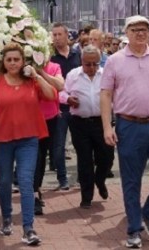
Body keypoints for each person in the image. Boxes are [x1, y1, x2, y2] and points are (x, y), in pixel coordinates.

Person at [100, 15, 149, 249]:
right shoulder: (114, 61)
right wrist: (107, 126)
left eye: (144, 29)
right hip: (128, 125)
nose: (140, 33)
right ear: (127, 33)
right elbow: (105, 95)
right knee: (131, 181)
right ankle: (134, 229)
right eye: (135, 29)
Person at [0, 43, 55, 246]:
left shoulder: (32, 81)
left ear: (23, 61)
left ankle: (28, 228)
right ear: (4, 62)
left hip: (29, 139)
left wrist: (37, 75)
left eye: (17, 59)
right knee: (5, 181)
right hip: (2, 139)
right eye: (9, 60)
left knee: (26, 181)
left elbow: (51, 95)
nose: (13, 63)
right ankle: (6, 217)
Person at [61, 45, 114, 207]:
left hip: (102, 122)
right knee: (84, 161)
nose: (91, 68)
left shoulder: (106, 74)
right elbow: (61, 92)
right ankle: (86, 196)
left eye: (95, 64)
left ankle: (100, 179)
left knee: (107, 157)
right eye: (87, 64)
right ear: (81, 61)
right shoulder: (73, 75)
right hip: (79, 123)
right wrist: (68, 99)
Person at [49, 23, 80, 194]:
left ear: (67, 35)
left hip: (78, 106)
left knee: (80, 143)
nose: (56, 38)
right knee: (58, 145)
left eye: (59, 34)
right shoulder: (51, 57)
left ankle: (82, 176)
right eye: (54, 35)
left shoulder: (77, 54)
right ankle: (62, 178)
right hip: (59, 107)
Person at [32, 58, 65, 217]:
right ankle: (33, 193)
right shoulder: (23, 67)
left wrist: (40, 72)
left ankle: (36, 188)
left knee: (41, 156)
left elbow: (59, 86)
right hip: (28, 118)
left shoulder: (54, 67)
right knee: (34, 156)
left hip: (48, 118)